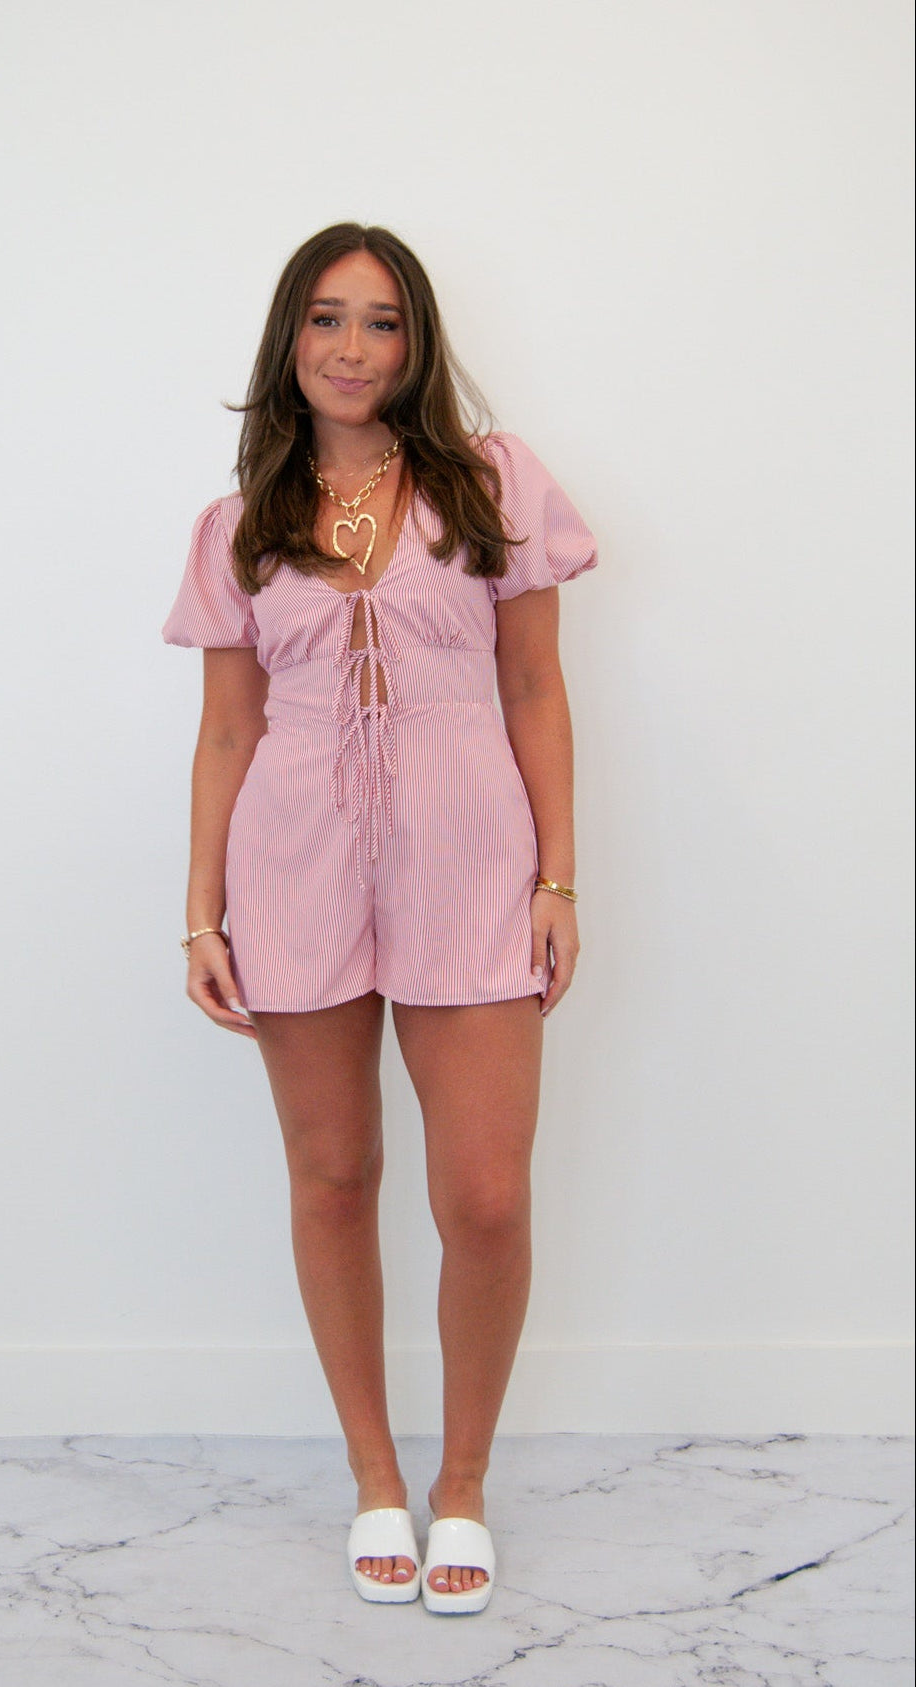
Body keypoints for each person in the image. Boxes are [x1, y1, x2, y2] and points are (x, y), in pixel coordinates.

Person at [161, 222, 598, 1615]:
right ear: (290, 341)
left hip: (470, 862)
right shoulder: (238, 527)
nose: (356, 349)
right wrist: (200, 915)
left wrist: (557, 880)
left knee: (485, 1196)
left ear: (419, 347)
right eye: (330, 320)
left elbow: (534, 689)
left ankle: (463, 1481)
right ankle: (372, 1473)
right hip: (290, 867)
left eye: (386, 323)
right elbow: (228, 733)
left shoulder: (492, 484)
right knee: (334, 1179)